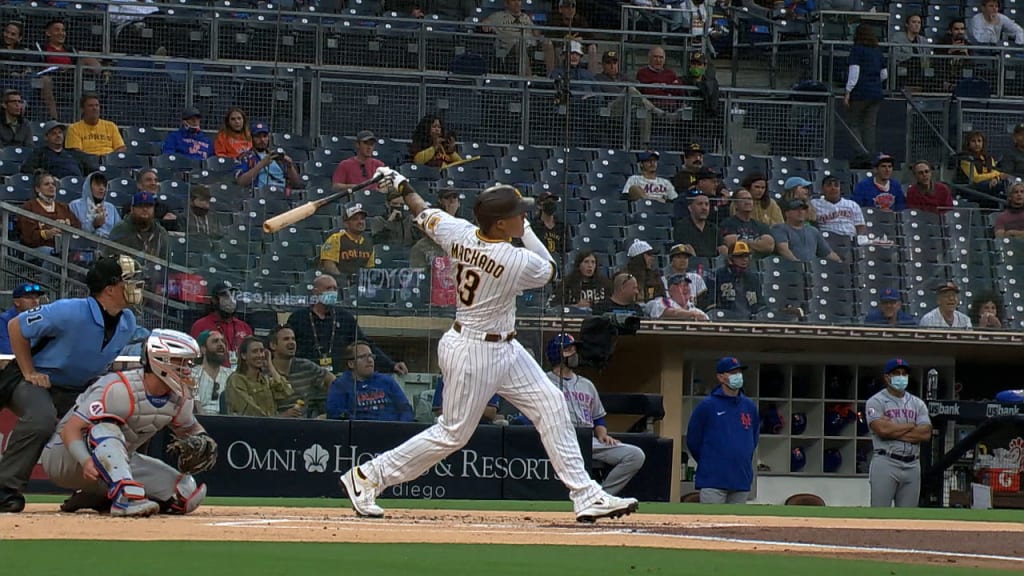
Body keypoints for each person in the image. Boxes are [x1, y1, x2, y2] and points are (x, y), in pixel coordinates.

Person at [338, 171, 638, 522]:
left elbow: (421, 212)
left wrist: (402, 184)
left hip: (504, 347)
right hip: (473, 351)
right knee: (453, 433)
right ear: (499, 224)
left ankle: (586, 495)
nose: (523, 217)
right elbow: (551, 268)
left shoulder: (459, 232)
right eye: (518, 214)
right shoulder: (512, 261)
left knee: (551, 403)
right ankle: (368, 476)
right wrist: (526, 233)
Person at [0, 255, 141, 513]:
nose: (136, 286)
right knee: (42, 418)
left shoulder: (127, 321)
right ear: (110, 289)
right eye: (128, 280)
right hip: (34, 380)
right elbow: (15, 326)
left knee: (114, 423)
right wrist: (29, 371)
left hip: (77, 390)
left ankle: (95, 491)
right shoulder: (70, 310)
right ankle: (5, 488)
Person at [40, 329, 212, 517]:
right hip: (67, 459)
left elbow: (190, 429)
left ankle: (98, 495)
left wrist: (202, 441)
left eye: (188, 363)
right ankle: (124, 499)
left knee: (186, 494)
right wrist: (86, 461)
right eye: (181, 362)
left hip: (119, 463)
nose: (187, 369)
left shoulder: (180, 397)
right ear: (160, 360)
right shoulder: (117, 388)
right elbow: (70, 430)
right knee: (105, 428)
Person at [546, 334, 645, 495]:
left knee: (634, 455)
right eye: (570, 349)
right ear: (557, 353)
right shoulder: (545, 382)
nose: (575, 354)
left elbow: (598, 418)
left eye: (574, 349)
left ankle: (601, 495)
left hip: (588, 439)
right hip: (561, 439)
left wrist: (603, 435)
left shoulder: (587, 384)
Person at [286, 275, 407, 376]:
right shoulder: (298, 318)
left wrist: (391, 364)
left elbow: (364, 343)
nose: (333, 292)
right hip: (305, 377)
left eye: (335, 289)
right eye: (328, 288)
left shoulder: (344, 317)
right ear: (316, 291)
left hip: (337, 377)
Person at [686, 356, 759, 504]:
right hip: (713, 479)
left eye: (739, 372)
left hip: (741, 478)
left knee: (737, 525)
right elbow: (693, 440)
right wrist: (710, 461)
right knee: (711, 523)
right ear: (720, 377)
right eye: (732, 373)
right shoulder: (707, 405)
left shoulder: (749, 406)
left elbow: (754, 437)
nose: (737, 376)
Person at [865, 358, 932, 508]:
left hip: (913, 463)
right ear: (887, 377)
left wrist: (893, 429)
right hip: (886, 461)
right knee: (880, 514)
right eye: (896, 373)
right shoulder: (875, 401)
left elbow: (925, 434)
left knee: (907, 518)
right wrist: (910, 425)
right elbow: (882, 430)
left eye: (904, 374)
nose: (901, 377)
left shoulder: (917, 403)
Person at [326, 341, 414, 422]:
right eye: (363, 357)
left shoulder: (387, 381)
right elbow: (336, 416)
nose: (369, 360)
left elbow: (405, 409)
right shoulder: (340, 385)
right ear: (351, 364)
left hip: (392, 432)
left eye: (371, 356)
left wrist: (400, 428)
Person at [224, 336, 300, 418]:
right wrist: (282, 416)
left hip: (270, 428)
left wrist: (270, 366)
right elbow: (251, 413)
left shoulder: (265, 380)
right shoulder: (236, 380)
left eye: (262, 351)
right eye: (255, 351)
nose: (260, 355)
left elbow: (287, 391)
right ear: (243, 355)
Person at [268, 325, 334, 418]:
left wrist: (329, 411)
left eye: (293, 339)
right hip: (272, 426)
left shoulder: (306, 367)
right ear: (273, 345)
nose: (292, 343)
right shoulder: (263, 371)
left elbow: (334, 382)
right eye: (286, 339)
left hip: (303, 427)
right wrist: (283, 416)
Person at [844, 24, 887, 158]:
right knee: (869, 126)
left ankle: (861, 152)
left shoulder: (857, 50)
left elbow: (854, 72)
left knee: (853, 124)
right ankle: (871, 155)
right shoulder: (877, 51)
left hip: (860, 93)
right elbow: (884, 74)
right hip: (876, 93)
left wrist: (847, 92)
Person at [188, 281, 253, 368]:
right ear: (214, 300)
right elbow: (195, 358)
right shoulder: (201, 326)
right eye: (225, 295)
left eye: (233, 295)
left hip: (240, 378)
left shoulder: (244, 327)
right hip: (211, 377)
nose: (231, 299)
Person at [17, 170, 80, 255]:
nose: (51, 186)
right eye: (47, 184)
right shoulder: (29, 207)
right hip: (37, 250)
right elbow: (27, 236)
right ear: (37, 188)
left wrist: (66, 227)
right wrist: (46, 233)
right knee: (53, 254)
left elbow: (77, 228)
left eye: (53, 184)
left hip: (64, 247)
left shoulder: (64, 207)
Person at [233, 120, 302, 190]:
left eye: (264, 136)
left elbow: (296, 184)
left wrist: (290, 166)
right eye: (258, 137)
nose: (262, 140)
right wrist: (261, 164)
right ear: (251, 138)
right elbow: (241, 183)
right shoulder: (245, 157)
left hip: (282, 195)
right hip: (260, 197)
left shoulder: (278, 156)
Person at [704, 241, 764, 318]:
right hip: (726, 320)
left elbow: (761, 304)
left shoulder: (753, 278)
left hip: (750, 321)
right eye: (740, 256)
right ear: (730, 259)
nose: (744, 259)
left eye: (746, 256)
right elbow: (711, 305)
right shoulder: (717, 276)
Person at [20, 120, 98, 179]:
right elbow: (26, 168)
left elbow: (92, 170)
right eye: (54, 133)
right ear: (46, 137)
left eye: (60, 132)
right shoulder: (40, 153)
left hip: (78, 187)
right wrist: (44, 176)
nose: (58, 135)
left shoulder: (73, 153)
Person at [771, 199, 842, 262]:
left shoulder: (813, 231)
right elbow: (783, 250)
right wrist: (798, 264)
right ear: (787, 213)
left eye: (803, 209)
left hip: (812, 271)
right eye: (796, 209)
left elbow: (827, 253)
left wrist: (840, 262)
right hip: (791, 270)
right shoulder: (779, 228)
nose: (801, 212)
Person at [320, 203, 376, 282]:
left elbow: (369, 268)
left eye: (362, 219)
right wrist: (342, 280)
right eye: (355, 219)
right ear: (346, 223)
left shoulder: (368, 243)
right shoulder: (336, 238)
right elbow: (328, 264)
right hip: (338, 283)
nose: (360, 222)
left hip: (361, 284)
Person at [107, 191, 169, 259]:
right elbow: (111, 258)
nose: (145, 209)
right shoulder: (120, 230)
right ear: (132, 209)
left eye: (149, 206)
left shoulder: (160, 232)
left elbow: (166, 260)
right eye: (141, 205)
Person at [411, 188, 460, 268]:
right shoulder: (422, 246)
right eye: (447, 198)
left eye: (454, 197)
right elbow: (419, 274)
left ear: (459, 203)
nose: (451, 201)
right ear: (440, 201)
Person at [191, 330, 234, 415]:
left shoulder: (231, 375)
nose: (221, 344)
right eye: (215, 341)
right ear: (203, 349)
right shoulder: (192, 374)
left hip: (227, 423)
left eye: (223, 341)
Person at [811, 174, 867, 240]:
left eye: (836, 185)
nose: (833, 188)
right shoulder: (814, 204)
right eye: (829, 185)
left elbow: (860, 226)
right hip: (827, 241)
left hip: (850, 240)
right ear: (822, 189)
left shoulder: (852, 205)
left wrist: (859, 239)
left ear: (840, 189)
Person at [69, 171, 120, 239]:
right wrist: (94, 225)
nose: (102, 188)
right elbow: (73, 232)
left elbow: (119, 233)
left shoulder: (111, 208)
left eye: (104, 185)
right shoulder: (74, 205)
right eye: (97, 184)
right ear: (88, 187)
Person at [0, 283, 46, 354]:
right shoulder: (4, 320)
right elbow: (6, 349)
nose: (35, 301)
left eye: (37, 297)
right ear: (17, 302)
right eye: (29, 298)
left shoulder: (42, 318)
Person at [644, 273, 709, 321]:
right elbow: (669, 313)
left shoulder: (696, 310)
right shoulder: (662, 302)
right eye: (680, 286)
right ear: (670, 291)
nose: (685, 288)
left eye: (686, 285)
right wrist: (692, 314)